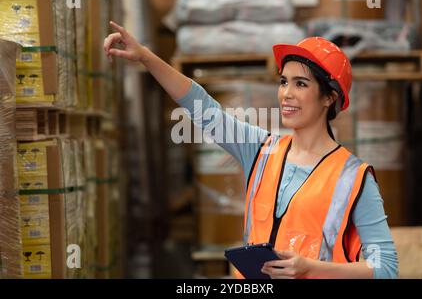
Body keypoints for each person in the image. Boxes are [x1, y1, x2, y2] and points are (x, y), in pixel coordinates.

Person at [104, 21, 398, 279]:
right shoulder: (261, 150)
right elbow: (205, 109)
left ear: (328, 98)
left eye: (301, 83)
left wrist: (310, 268)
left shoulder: (354, 178)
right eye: (283, 82)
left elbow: (386, 269)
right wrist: (145, 57)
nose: (287, 94)